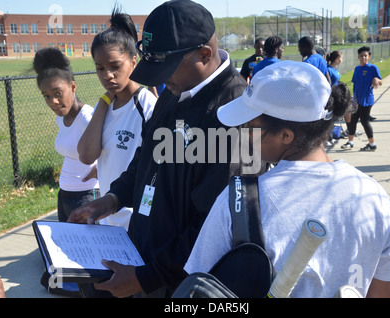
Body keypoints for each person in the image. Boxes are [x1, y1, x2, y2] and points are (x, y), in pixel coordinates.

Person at [69, 0, 257, 298]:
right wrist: (112, 198)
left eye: (167, 67)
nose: (160, 79)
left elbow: (218, 225)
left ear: (203, 54)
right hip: (140, 259)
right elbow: (146, 158)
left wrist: (148, 277)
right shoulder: (174, 91)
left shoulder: (238, 114)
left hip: (179, 284)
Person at [184, 61, 390, 298]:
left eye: (250, 126)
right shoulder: (374, 197)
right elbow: (387, 290)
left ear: (286, 135)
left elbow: (196, 290)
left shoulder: (237, 202)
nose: (244, 133)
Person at [77, 7, 156, 231]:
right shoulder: (104, 107)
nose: (107, 75)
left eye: (115, 66)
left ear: (133, 61)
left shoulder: (147, 106)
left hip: (136, 224)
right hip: (106, 219)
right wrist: (103, 101)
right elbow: (86, 155)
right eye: (100, 68)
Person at [33, 47, 100, 223]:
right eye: (46, 96)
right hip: (64, 194)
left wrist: (99, 170)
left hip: (87, 196)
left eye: (57, 93)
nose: (52, 102)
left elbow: (115, 151)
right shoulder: (61, 120)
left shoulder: (89, 118)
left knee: (85, 249)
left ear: (73, 86)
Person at [341, 46, 382, 151]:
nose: (363, 57)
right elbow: (355, 83)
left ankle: (372, 144)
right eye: (361, 56)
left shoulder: (373, 68)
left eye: (365, 56)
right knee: (353, 120)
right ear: (358, 57)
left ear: (369, 57)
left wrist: (376, 80)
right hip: (357, 99)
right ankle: (350, 142)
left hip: (367, 100)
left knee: (364, 121)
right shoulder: (357, 69)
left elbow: (379, 81)